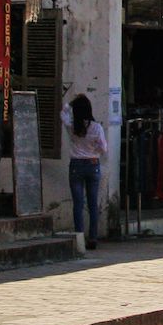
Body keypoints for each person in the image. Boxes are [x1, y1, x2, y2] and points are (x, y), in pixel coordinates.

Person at [61, 93, 108, 250]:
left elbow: (63, 114)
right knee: (93, 203)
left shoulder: (71, 126)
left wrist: (70, 104)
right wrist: (94, 151)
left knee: (78, 204)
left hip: (76, 165)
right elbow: (104, 148)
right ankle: (93, 237)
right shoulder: (96, 127)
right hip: (93, 164)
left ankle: (79, 237)